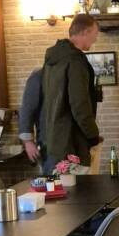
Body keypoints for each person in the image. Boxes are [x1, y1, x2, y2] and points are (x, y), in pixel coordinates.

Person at [41, 13, 102, 176]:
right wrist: (93, 136)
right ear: (85, 32)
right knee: (81, 190)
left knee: (63, 190)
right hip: (73, 142)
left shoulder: (53, 60)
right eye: (95, 34)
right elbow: (79, 104)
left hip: (55, 140)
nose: (95, 39)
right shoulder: (75, 61)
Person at [18, 66, 44, 168]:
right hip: (47, 141)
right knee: (52, 175)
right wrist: (28, 141)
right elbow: (27, 110)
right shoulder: (39, 76)